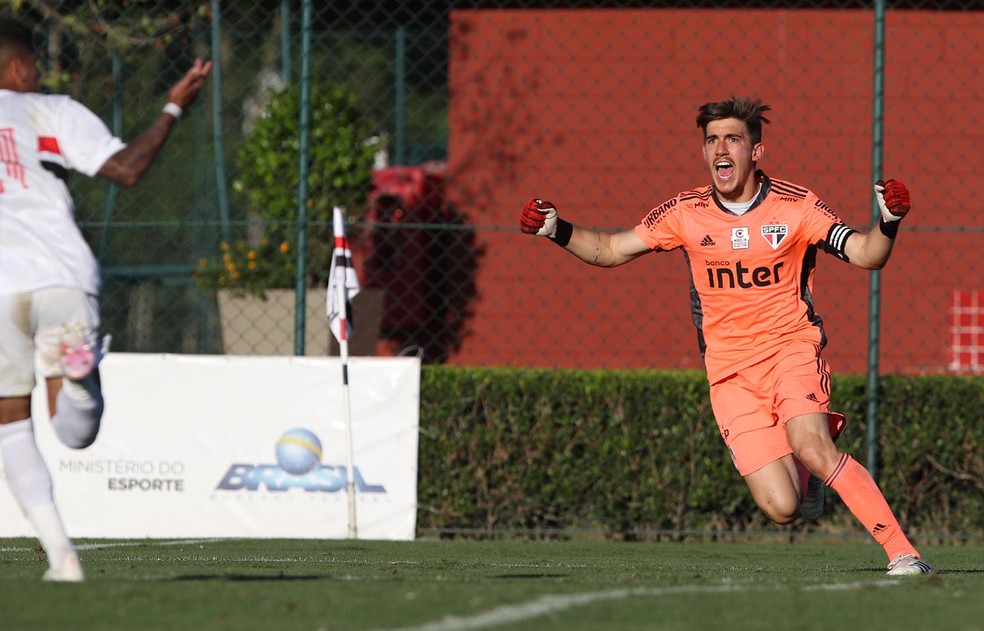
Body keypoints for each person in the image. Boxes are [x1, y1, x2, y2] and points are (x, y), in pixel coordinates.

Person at [519, 96, 933, 576]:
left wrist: (888, 222)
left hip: (790, 350)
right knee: (781, 507)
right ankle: (808, 473)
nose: (721, 149)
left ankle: (904, 553)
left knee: (814, 446)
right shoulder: (684, 212)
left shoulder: (796, 206)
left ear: (755, 151)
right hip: (730, 373)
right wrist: (556, 228)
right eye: (712, 140)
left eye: (733, 139)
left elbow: (865, 254)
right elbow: (610, 249)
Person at [0, 17, 212, 581]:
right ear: (18, 67)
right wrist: (172, 108)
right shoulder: (52, 110)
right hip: (63, 276)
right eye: (35, 65)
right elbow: (127, 169)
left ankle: (61, 558)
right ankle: (76, 382)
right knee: (77, 432)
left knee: (11, 429)